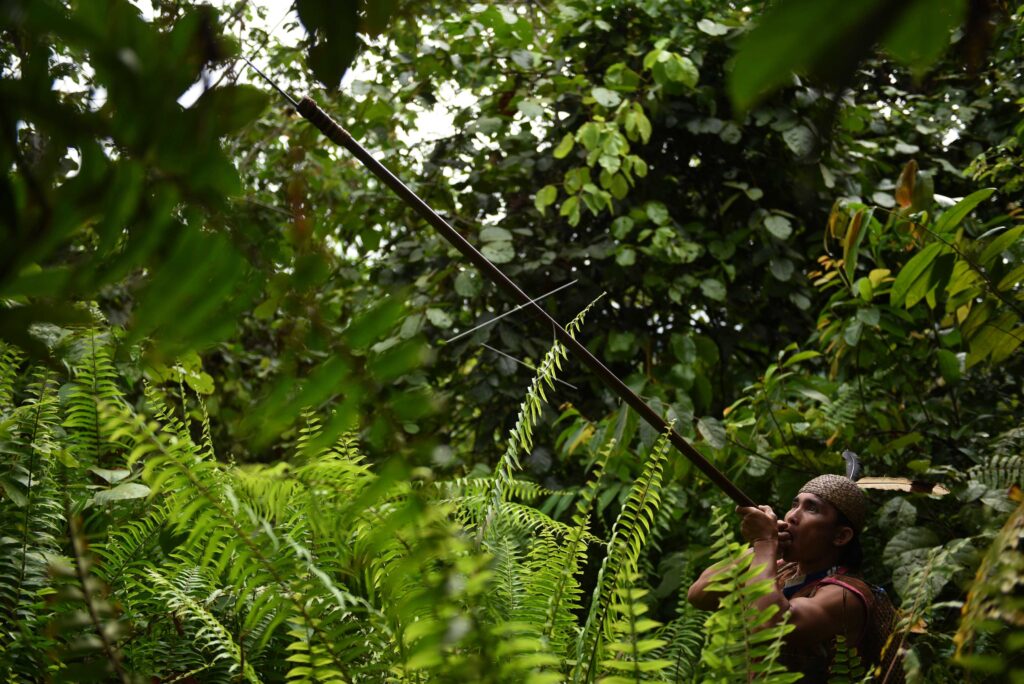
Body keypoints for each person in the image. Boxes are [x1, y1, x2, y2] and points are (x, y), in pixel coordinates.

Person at [687, 474, 879, 682]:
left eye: (812, 509)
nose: (792, 516)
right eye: (794, 505)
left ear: (841, 536)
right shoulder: (782, 569)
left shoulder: (844, 596)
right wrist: (761, 547)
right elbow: (699, 595)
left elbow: (765, 624)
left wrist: (765, 542)